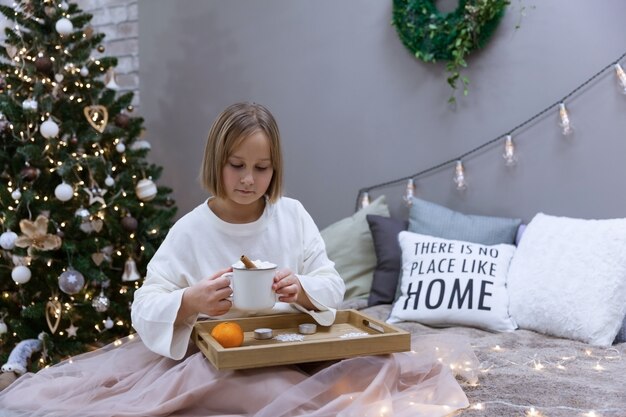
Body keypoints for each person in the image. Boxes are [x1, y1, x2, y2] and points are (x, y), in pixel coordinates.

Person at [0, 102, 475, 417]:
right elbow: (144, 305)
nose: (249, 180)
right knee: (282, 398)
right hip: (219, 359)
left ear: (275, 169)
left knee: (376, 373)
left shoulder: (291, 215)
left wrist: (303, 289)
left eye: (261, 168)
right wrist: (190, 301)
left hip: (294, 346)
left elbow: (331, 282)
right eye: (237, 166)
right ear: (217, 162)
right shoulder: (191, 229)